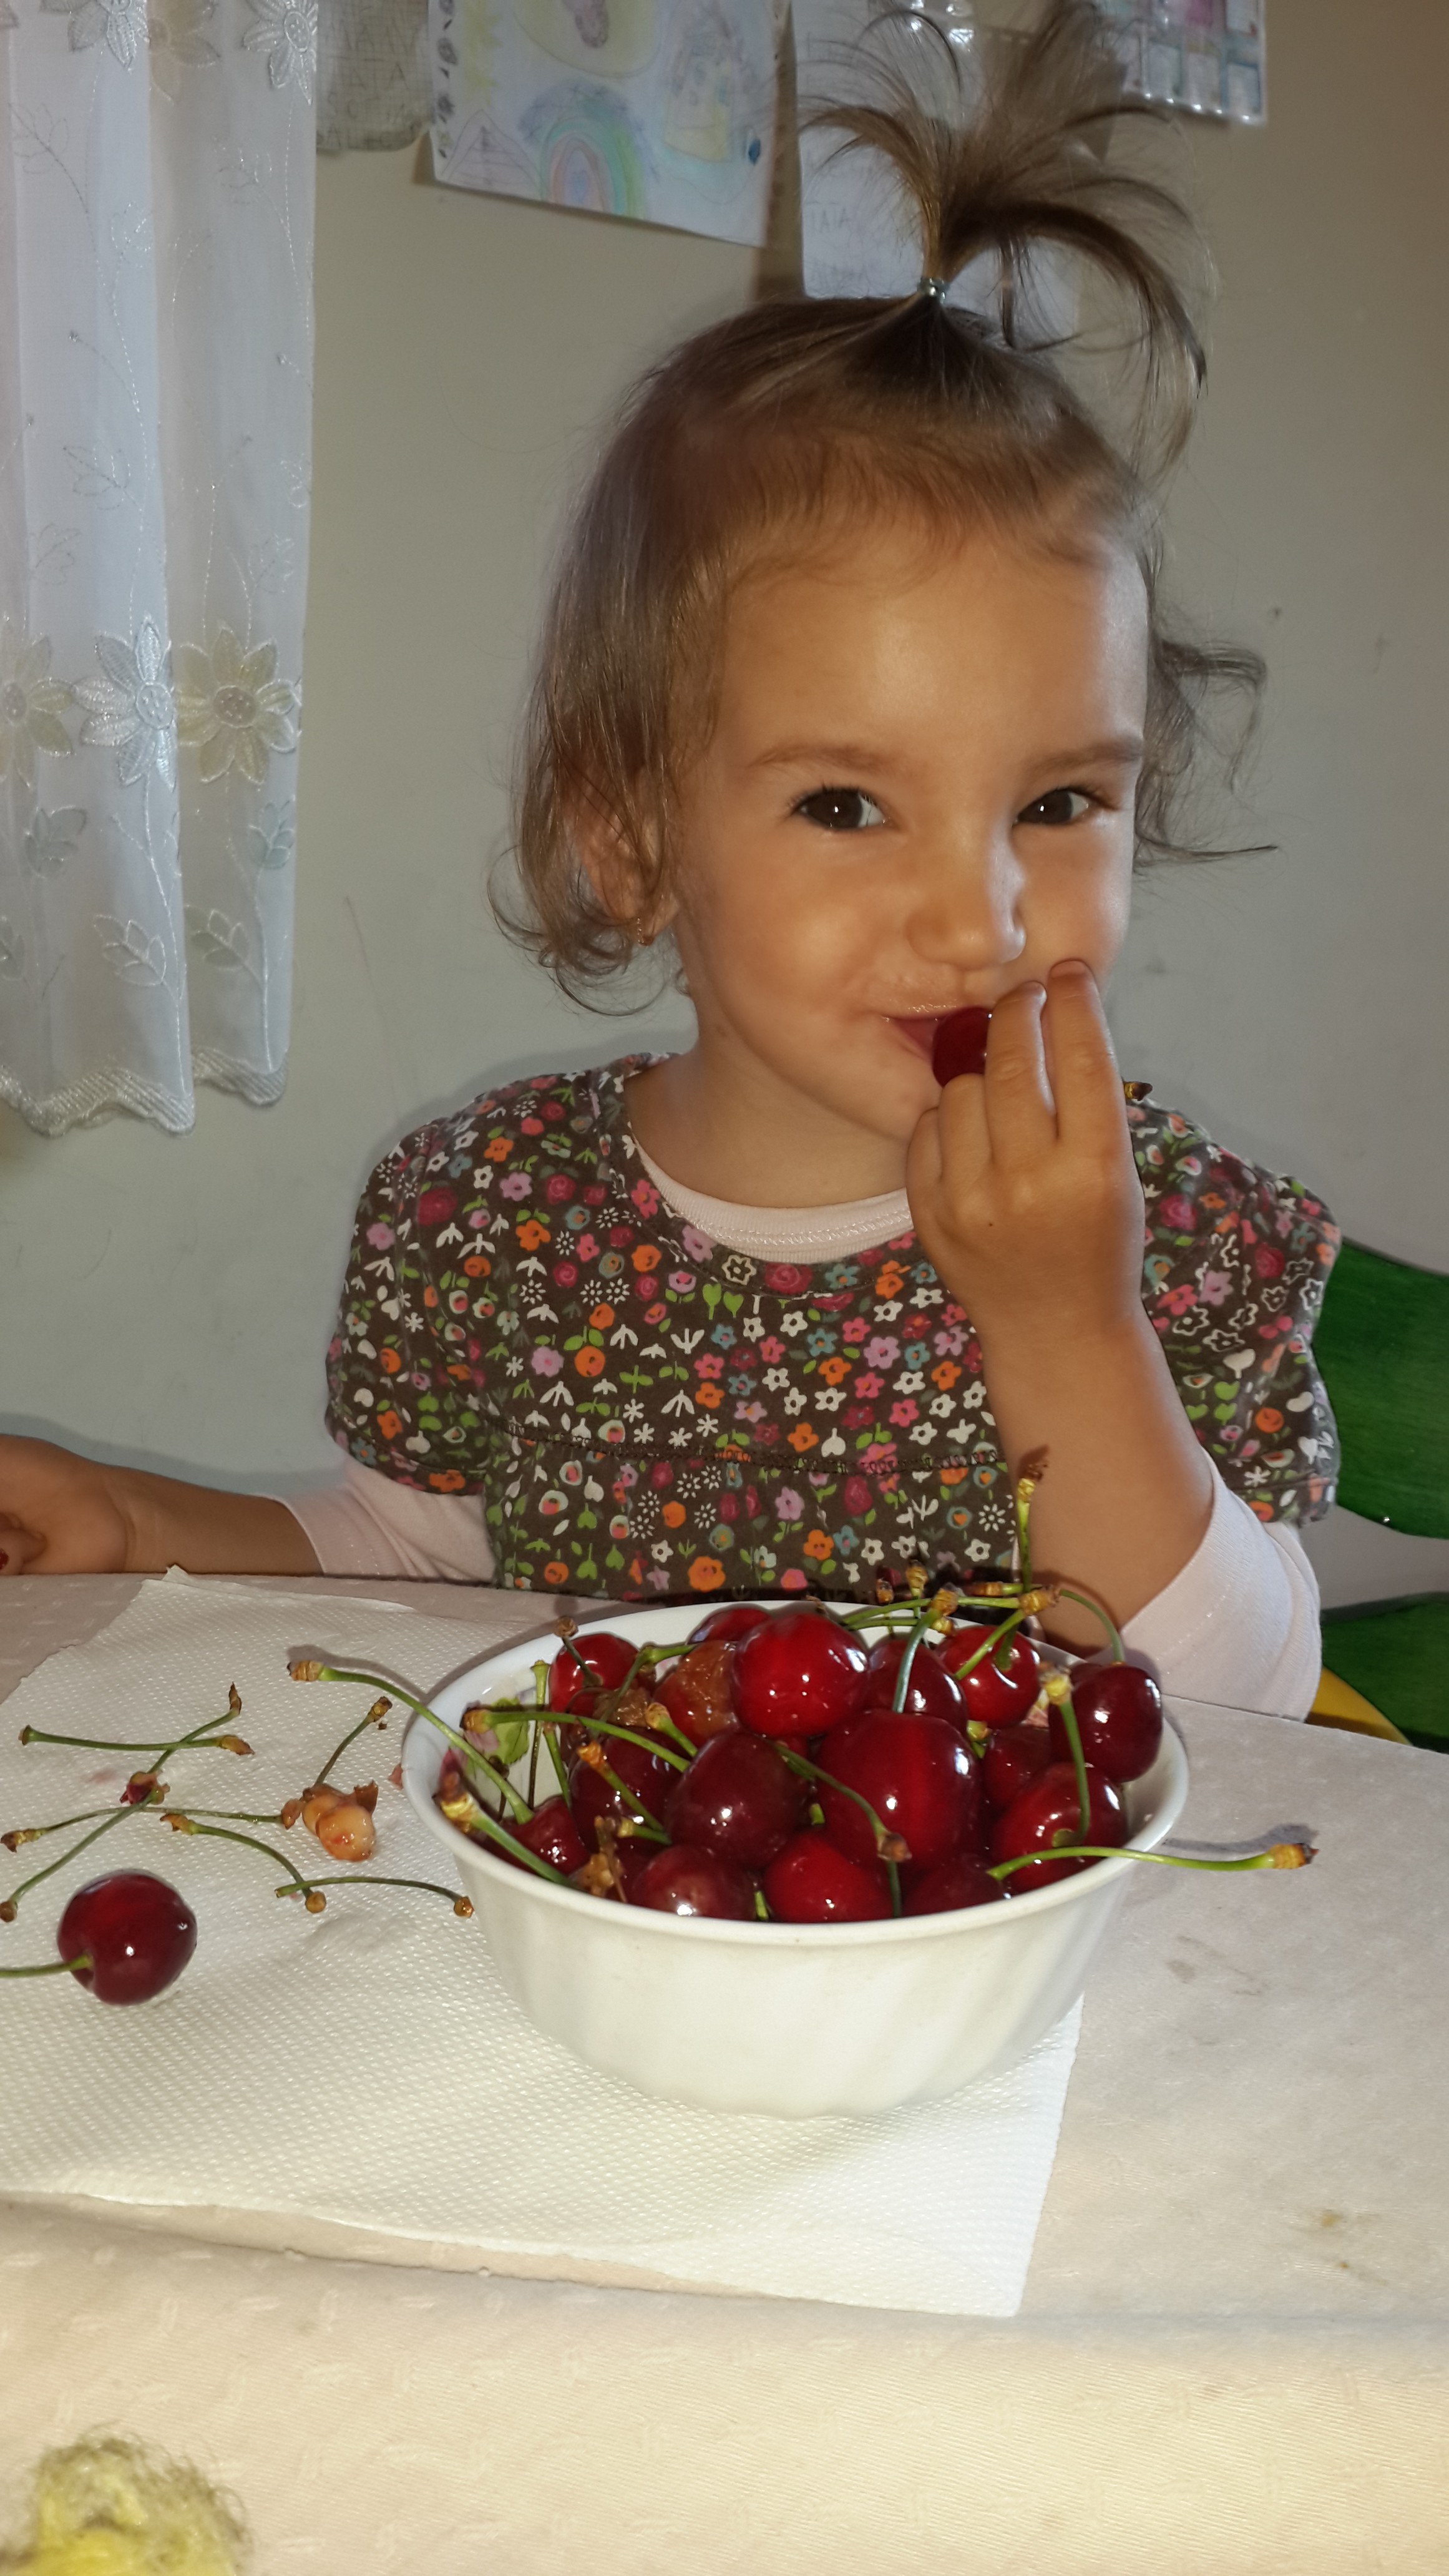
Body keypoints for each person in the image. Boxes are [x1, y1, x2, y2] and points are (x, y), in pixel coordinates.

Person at [0, 2, 1338, 1712]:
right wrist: (140, 1522)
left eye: (1060, 803)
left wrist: (1069, 1329)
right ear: (629, 838)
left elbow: (1254, 1705)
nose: (982, 916)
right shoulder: (491, 1217)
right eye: (845, 805)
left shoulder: (1154, 1230)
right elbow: (424, 1566)